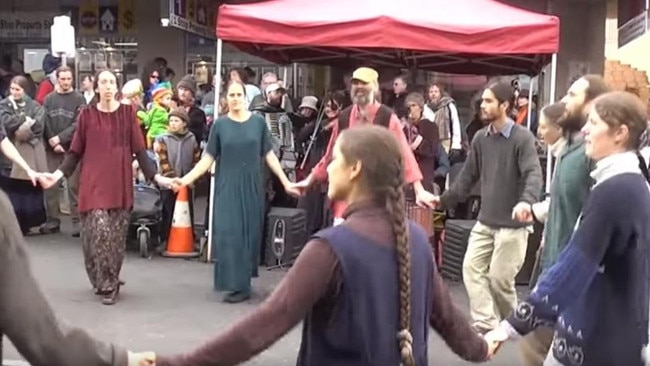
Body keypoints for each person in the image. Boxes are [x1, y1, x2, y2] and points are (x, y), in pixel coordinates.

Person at [143, 125, 498, 365]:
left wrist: (178, 363)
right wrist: (482, 349)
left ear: (355, 169)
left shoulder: (331, 248)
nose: (326, 170)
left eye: (334, 162)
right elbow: (450, 322)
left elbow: (264, 326)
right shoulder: (417, 239)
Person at [485, 91, 650, 366]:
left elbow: (574, 268)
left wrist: (508, 327)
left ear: (620, 133)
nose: (585, 129)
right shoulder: (630, 183)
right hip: (617, 335)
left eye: (594, 123)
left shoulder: (616, 191)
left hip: (599, 343)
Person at [39, 70, 173, 306]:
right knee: (98, 235)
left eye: (112, 82)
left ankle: (110, 281)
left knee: (115, 239)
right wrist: (57, 175)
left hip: (120, 184)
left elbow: (140, 151)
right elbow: (75, 152)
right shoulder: (87, 115)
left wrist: (157, 178)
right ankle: (105, 280)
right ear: (97, 88)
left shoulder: (127, 114)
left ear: (116, 87)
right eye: (104, 82)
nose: (108, 86)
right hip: (93, 184)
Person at [170, 80, 299, 304]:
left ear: (246, 98)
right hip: (226, 186)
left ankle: (242, 285)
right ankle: (232, 281)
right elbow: (207, 159)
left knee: (247, 235)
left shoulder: (258, 123)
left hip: (251, 186)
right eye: (232, 95)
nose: (236, 99)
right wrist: (184, 180)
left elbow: (269, 155)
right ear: (226, 99)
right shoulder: (220, 126)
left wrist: (286, 182)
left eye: (239, 95)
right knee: (229, 233)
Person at [433, 81, 543, 334]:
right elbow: (466, 179)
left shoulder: (522, 138)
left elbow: (533, 174)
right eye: (482, 101)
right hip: (486, 221)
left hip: (514, 225)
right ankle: (486, 322)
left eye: (489, 101)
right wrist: (441, 200)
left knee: (500, 279)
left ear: (505, 105)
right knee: (471, 268)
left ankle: (515, 324)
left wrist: (526, 201)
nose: (483, 105)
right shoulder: (481, 138)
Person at [514, 76, 609, 366]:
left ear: (593, 103)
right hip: (555, 265)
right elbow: (564, 200)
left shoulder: (593, 154)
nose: (564, 101)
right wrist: (539, 212)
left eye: (572, 94)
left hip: (574, 276)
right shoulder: (571, 148)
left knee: (536, 346)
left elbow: (600, 211)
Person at [290, 67, 437, 226]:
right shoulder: (345, 117)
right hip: (345, 207)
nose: (359, 88)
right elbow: (329, 157)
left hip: (376, 205)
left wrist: (419, 190)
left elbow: (404, 155)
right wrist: (309, 181)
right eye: (355, 83)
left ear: (374, 87)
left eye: (363, 84)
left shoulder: (387, 118)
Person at [0, 75, 48, 235]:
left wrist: (23, 131)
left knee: (30, 188)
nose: (14, 92)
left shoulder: (34, 105)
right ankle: (13, 224)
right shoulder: (4, 105)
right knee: (12, 189)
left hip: (30, 152)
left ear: (24, 90)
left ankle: (30, 222)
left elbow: (39, 126)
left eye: (18, 89)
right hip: (9, 155)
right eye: (12, 89)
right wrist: (22, 119)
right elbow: (5, 124)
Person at [41, 66, 86, 236]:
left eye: (69, 79)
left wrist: (60, 138)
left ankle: (77, 222)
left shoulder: (79, 98)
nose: (66, 82)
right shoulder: (48, 99)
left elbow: (78, 124)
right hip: (52, 150)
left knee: (74, 187)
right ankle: (52, 221)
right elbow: (44, 121)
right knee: (50, 186)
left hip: (73, 150)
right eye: (63, 79)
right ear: (57, 79)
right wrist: (53, 141)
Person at [154, 108, 201, 245]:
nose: (173, 123)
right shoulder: (164, 139)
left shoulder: (191, 139)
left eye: (176, 121)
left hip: (186, 182)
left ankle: (188, 237)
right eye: (171, 121)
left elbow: (196, 160)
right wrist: (172, 179)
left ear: (184, 123)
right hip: (169, 183)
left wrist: (191, 178)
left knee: (188, 210)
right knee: (167, 210)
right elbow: (163, 161)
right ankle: (165, 238)